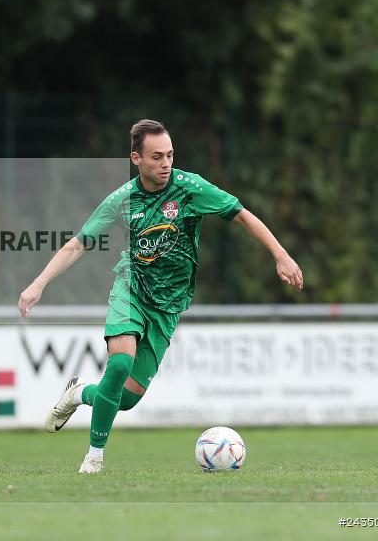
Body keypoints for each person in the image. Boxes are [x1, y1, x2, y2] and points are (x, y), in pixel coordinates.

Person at [18, 119, 303, 474]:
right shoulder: (122, 200)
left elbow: (242, 215)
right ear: (136, 158)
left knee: (126, 400)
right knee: (119, 364)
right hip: (132, 288)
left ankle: (78, 394)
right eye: (156, 157)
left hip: (168, 305)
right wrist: (39, 282)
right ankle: (94, 457)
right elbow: (79, 243)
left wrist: (281, 255)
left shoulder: (190, 189)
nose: (166, 163)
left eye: (169, 155)